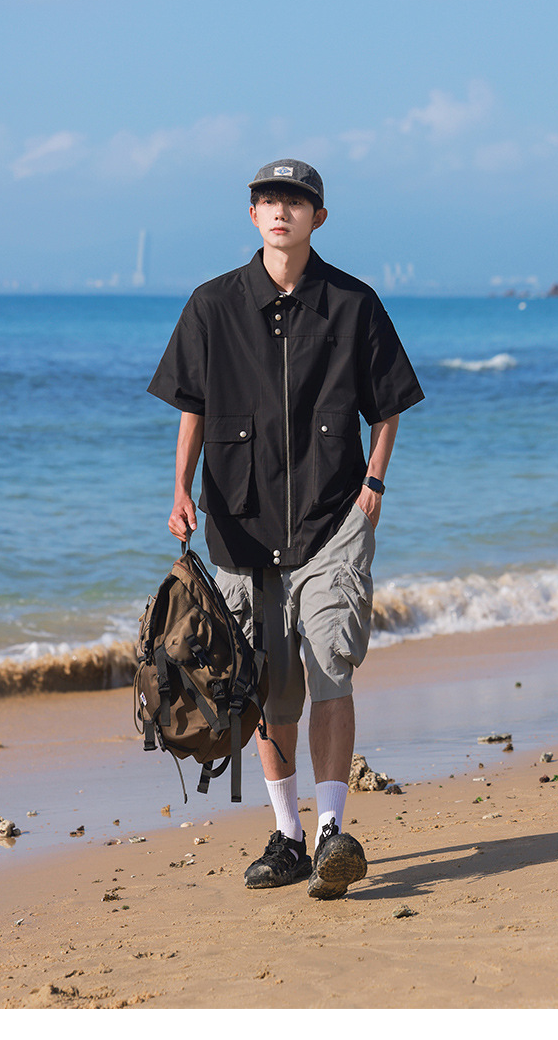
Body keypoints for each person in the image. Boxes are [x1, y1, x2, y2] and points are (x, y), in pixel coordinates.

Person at [148, 159, 424, 900]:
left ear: (317, 218)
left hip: (335, 520)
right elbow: (192, 406)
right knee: (266, 687)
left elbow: (389, 404)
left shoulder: (354, 303)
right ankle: (289, 837)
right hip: (241, 529)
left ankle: (333, 831)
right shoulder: (212, 305)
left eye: (295, 202)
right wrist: (180, 488)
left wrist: (373, 484)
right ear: (252, 215)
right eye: (268, 200)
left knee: (332, 663)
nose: (281, 211)